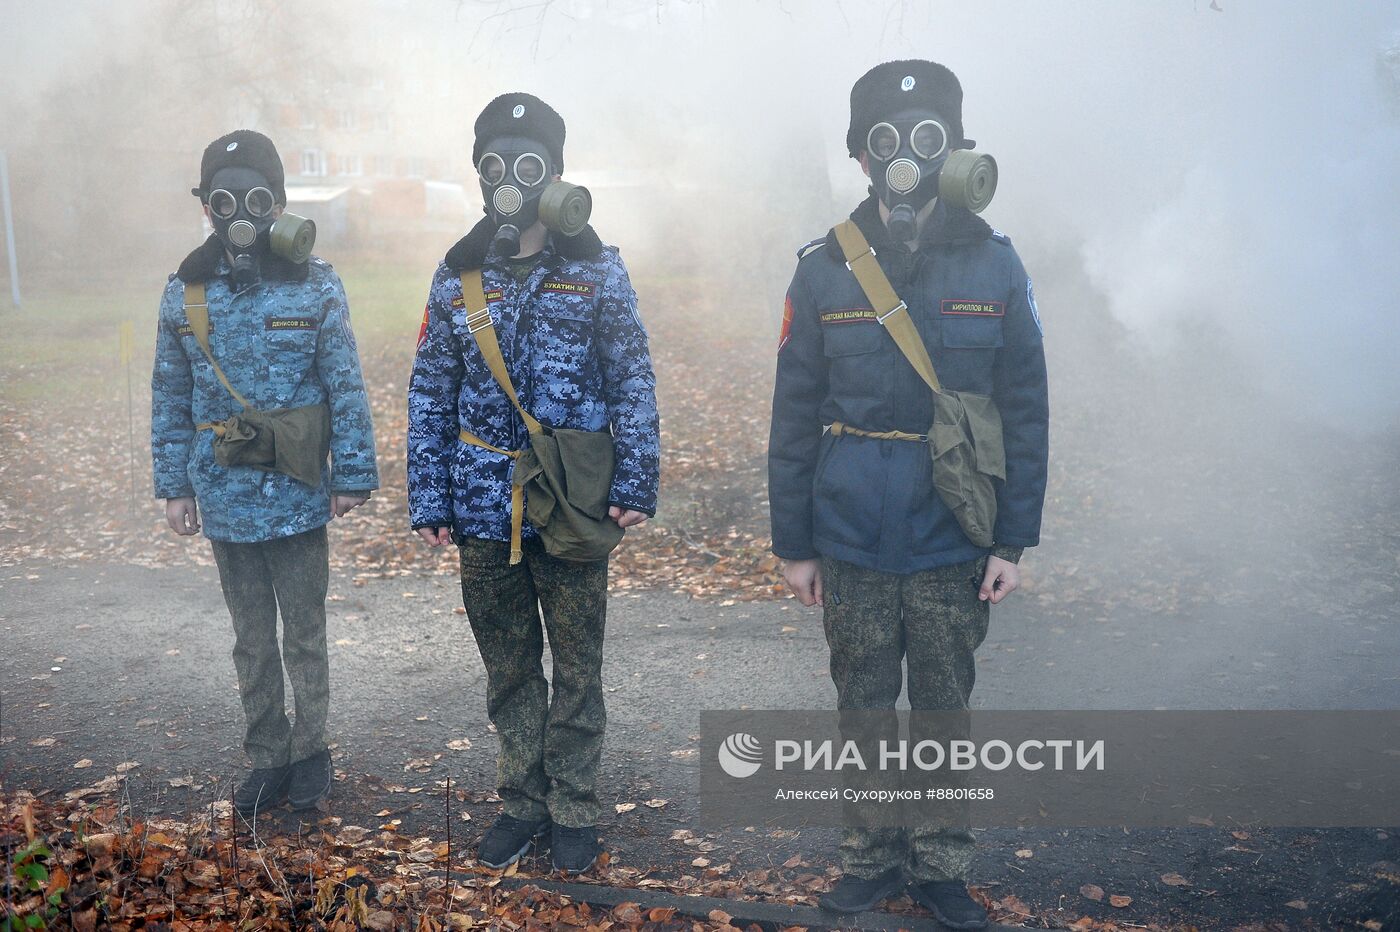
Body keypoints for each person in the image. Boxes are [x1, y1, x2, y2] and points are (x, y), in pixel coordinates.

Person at [767, 61, 1049, 928]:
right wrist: (794, 543)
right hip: (848, 530)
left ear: (956, 151)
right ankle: (868, 858)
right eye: (885, 142)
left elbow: (1026, 408)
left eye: (927, 140)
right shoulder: (823, 270)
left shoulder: (997, 266)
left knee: (940, 706)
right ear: (860, 157)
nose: (905, 160)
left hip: (951, 531)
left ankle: (939, 865)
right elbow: (793, 411)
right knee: (862, 706)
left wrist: (1011, 541)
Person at [407, 93, 660, 874]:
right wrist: (429, 495)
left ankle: (575, 807)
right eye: (496, 163)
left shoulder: (598, 269)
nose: (511, 179)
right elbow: (429, 389)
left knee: (579, 664)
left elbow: (632, 379)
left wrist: (637, 478)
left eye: (529, 163)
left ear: (555, 172)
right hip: (484, 500)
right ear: (480, 175)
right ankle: (523, 803)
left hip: (576, 499)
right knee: (510, 665)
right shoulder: (458, 277)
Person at [151, 129, 379, 817]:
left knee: (303, 631)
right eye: (225, 199)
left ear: (278, 204)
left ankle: (311, 753)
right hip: (224, 494)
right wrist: (174, 486)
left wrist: (353, 474)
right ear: (207, 208)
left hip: (301, 491)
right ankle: (266, 757)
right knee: (251, 638)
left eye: (256, 198)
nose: (240, 214)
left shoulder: (316, 285)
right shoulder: (183, 292)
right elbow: (170, 395)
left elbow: (345, 384)